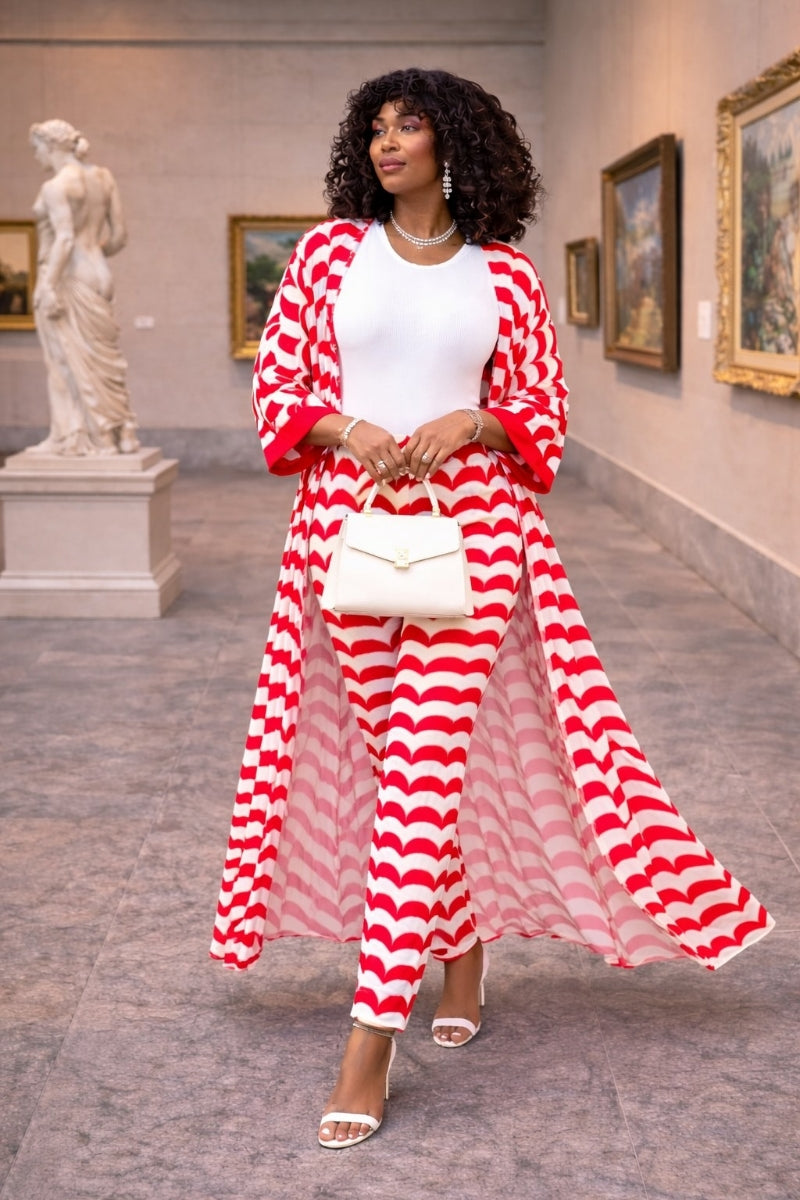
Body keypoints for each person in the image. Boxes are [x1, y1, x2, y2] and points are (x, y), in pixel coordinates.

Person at [210, 67, 774, 1148]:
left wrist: (474, 423)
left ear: (453, 142)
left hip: (474, 539)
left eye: (407, 126)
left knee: (422, 772)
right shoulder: (329, 254)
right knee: (398, 774)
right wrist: (347, 431)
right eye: (373, 129)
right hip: (346, 535)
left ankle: (368, 1039)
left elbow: (542, 406)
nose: (386, 145)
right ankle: (459, 944)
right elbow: (279, 391)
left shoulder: (504, 275)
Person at [29, 119, 139, 455]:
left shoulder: (56, 186)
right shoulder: (103, 178)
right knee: (101, 359)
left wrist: (47, 285)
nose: (36, 157)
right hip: (98, 272)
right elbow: (119, 237)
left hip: (67, 276)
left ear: (52, 146)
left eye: (37, 148)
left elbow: (64, 238)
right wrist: (93, 256)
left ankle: (77, 436)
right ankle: (124, 432)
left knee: (66, 361)